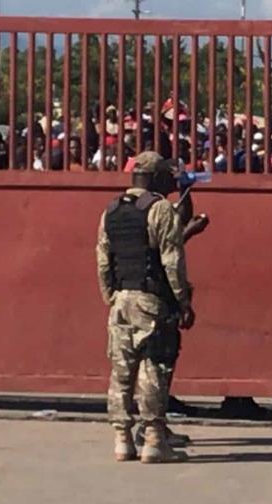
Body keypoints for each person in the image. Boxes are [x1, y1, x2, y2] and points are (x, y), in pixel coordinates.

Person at [95, 151, 195, 464]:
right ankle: (153, 439)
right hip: (150, 300)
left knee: (121, 369)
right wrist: (183, 300)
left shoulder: (111, 210)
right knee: (153, 367)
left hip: (121, 299)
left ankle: (122, 438)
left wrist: (110, 295)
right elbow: (171, 259)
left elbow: (102, 259)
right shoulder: (160, 208)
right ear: (154, 177)